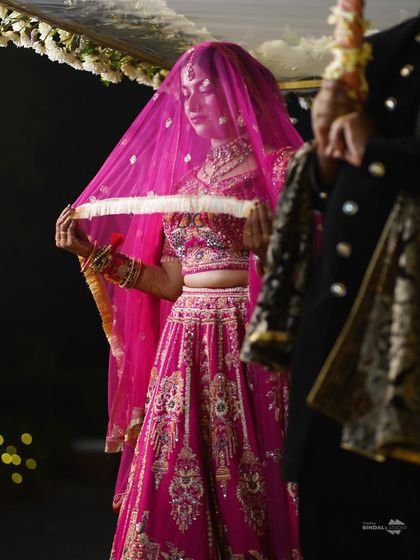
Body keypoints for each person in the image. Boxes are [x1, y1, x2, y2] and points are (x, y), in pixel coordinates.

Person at [56, 42, 303, 559]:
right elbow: (171, 282)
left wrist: (269, 254)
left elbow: (316, 261)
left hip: (245, 337)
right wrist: (95, 254)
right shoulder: (188, 182)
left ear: (240, 96)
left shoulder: (279, 168)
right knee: (178, 475)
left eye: (205, 90)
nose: (191, 104)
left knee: (253, 475)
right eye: (185, 93)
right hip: (184, 343)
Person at [274, 14, 420, 560]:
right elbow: (338, 186)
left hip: (407, 345)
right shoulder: (379, 49)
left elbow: (375, 157)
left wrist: (374, 152)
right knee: (331, 523)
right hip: (340, 329)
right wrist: (325, 163)